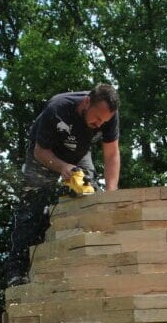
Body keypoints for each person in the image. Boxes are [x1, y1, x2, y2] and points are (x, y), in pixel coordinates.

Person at [7, 84, 120, 287]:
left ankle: (89, 261)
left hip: (79, 152)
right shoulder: (57, 108)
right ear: (86, 102)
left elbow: (111, 154)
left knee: (90, 193)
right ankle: (17, 270)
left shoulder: (108, 116)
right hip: (45, 153)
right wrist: (63, 167)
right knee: (32, 204)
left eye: (104, 121)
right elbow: (40, 152)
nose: (99, 124)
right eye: (96, 118)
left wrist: (112, 193)